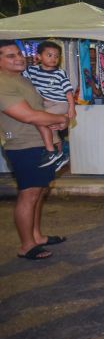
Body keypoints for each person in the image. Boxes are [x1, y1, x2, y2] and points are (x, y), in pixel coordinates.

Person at [0, 40, 69, 260]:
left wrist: (57, 129)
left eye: (19, 54)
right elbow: (28, 115)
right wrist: (61, 118)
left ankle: (36, 236)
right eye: (10, 56)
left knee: (39, 191)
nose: (18, 58)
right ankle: (27, 245)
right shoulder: (2, 83)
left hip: (39, 142)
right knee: (28, 194)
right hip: (23, 145)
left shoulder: (22, 80)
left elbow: (40, 109)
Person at [23, 41, 73, 169]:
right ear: (39, 56)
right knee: (50, 127)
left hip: (60, 103)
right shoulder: (32, 70)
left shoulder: (60, 73)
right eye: (49, 55)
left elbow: (68, 92)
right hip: (45, 104)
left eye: (56, 56)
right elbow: (21, 75)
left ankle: (51, 152)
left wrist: (71, 107)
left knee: (40, 120)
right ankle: (59, 156)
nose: (53, 59)